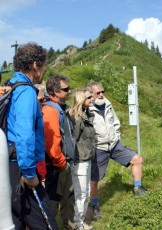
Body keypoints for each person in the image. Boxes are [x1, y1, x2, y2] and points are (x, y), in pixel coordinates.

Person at [6, 42, 58, 229]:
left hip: (8, 166)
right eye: (44, 66)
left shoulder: (9, 86)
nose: (44, 70)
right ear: (35, 64)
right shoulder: (26, 91)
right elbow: (25, 134)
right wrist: (29, 174)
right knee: (47, 224)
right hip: (22, 169)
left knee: (16, 222)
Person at [88, 81, 147, 220]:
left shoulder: (108, 104)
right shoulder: (88, 109)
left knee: (137, 160)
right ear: (92, 95)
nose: (102, 94)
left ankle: (138, 188)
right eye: (98, 93)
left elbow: (115, 121)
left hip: (115, 145)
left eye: (103, 91)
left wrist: (117, 136)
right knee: (94, 180)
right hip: (99, 148)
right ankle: (94, 205)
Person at [42, 75, 77, 229]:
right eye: (65, 89)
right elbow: (51, 141)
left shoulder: (62, 108)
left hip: (66, 163)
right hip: (57, 166)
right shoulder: (50, 110)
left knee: (69, 197)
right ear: (56, 92)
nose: (69, 92)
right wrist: (60, 162)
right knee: (53, 201)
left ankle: (70, 225)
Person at [69, 88, 96, 230]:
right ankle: (77, 223)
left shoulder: (87, 115)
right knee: (81, 194)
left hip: (87, 159)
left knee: (86, 193)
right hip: (79, 162)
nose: (92, 99)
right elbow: (73, 142)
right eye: (88, 97)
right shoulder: (77, 119)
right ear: (81, 100)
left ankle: (80, 221)